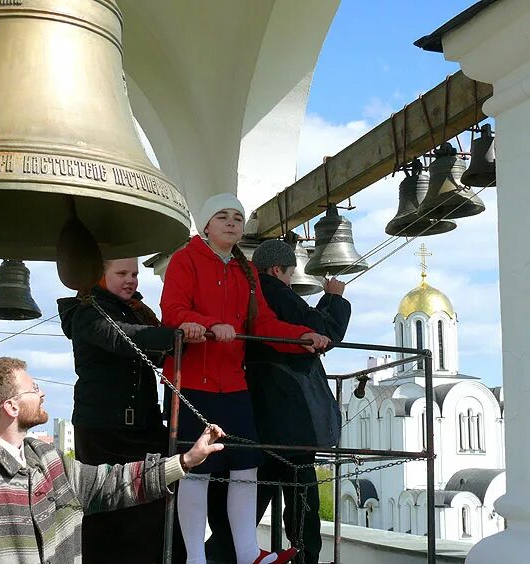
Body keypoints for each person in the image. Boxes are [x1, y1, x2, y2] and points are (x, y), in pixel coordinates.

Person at [0, 357, 225, 564]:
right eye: (34, 389)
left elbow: (113, 483)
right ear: (11, 406)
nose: (42, 394)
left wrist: (185, 460)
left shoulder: (46, 458)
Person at [160, 193, 331, 564]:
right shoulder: (185, 260)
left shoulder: (246, 270)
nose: (231, 222)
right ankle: (194, 558)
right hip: (193, 382)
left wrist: (300, 337)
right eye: (222, 216)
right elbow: (173, 311)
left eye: (237, 217)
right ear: (206, 225)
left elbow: (261, 323)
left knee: (246, 465)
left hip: (233, 383)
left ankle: (248, 553)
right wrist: (208, 325)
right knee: (196, 471)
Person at [58, 257, 201, 563]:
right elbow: (124, 338)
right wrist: (177, 334)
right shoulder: (87, 312)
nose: (131, 280)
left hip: (141, 427)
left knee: (155, 507)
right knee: (109, 508)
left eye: (134, 273)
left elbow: (157, 348)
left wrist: (186, 332)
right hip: (104, 431)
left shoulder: (136, 311)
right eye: (121, 273)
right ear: (99, 275)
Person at [247, 239, 351, 564]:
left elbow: (303, 324)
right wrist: (333, 297)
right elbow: (325, 331)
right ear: (278, 269)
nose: (291, 280)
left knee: (253, 496)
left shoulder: (250, 293)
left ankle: (229, 552)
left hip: (258, 414)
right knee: (302, 497)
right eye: (291, 273)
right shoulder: (275, 291)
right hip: (289, 414)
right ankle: (306, 559)